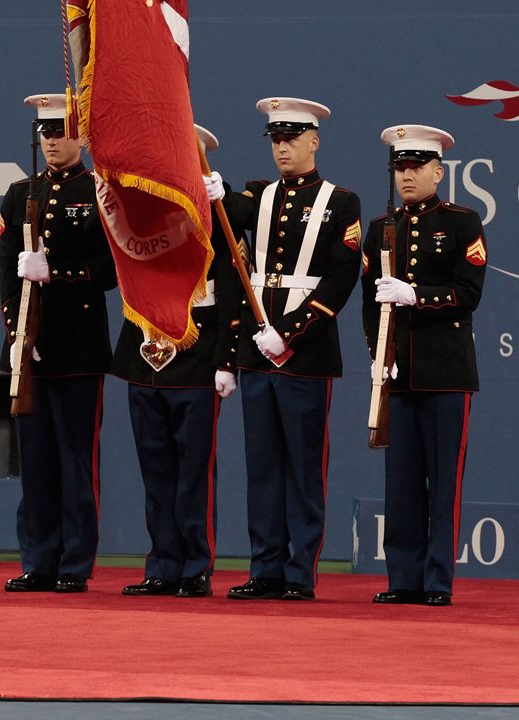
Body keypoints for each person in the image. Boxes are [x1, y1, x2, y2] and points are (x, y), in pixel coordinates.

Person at [224, 97, 362, 602]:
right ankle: (265, 567)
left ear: (313, 140)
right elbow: (237, 261)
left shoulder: (339, 202)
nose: (282, 146)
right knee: (262, 467)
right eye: (275, 139)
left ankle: (299, 572)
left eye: (291, 137)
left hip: (305, 353)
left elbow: (340, 277)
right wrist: (210, 190)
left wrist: (292, 331)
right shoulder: (256, 195)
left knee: (303, 467)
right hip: (257, 349)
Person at [112, 124, 248, 598]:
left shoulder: (216, 213)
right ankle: (162, 563)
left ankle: (195, 565)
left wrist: (226, 360)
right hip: (145, 353)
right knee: (155, 470)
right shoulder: (139, 208)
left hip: (196, 356)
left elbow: (233, 291)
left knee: (194, 472)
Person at [0, 93, 118, 593]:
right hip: (34, 348)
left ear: (81, 137)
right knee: (37, 463)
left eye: (61, 132)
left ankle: (74, 562)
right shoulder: (19, 192)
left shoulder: (100, 192)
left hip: (78, 346)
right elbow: (8, 272)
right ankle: (38, 559)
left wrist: (60, 273)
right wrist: (17, 335)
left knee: (75, 461)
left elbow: (112, 271)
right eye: (45, 134)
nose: (51, 141)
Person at [363, 124, 485, 607]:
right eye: (400, 167)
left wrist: (417, 294)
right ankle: (403, 579)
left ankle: (437, 580)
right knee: (402, 484)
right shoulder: (381, 228)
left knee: (442, 484)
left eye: (416, 166)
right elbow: (371, 305)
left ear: (439, 170)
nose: (407, 175)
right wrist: (378, 355)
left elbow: (468, 294)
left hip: (446, 372)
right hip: (399, 372)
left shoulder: (462, 223)